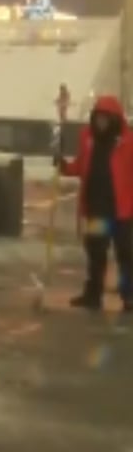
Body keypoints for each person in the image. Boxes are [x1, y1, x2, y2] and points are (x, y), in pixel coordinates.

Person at [56, 95, 133, 312]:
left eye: (105, 118)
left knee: (125, 255)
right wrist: (64, 167)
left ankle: (129, 296)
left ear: (114, 119)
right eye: (97, 117)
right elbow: (81, 167)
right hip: (96, 210)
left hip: (121, 212)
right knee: (96, 253)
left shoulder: (128, 143)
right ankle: (93, 295)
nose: (100, 122)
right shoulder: (88, 140)